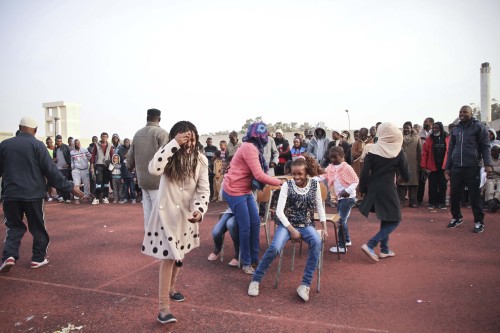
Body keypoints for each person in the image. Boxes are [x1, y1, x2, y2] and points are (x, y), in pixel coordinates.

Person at [141, 121, 209, 324]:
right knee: (169, 257)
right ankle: (163, 309)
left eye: (192, 138)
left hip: (186, 217)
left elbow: (203, 190)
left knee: (179, 256)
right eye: (184, 139)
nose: (189, 143)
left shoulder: (201, 160)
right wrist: (173, 144)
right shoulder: (168, 156)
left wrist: (199, 210)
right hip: (166, 216)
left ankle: (171, 288)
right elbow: (154, 168)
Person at [0, 117, 84, 273]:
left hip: (11, 194)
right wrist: (69, 187)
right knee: (38, 227)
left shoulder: (4, 145)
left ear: (19, 127)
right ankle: (38, 258)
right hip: (33, 194)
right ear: (36, 130)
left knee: (13, 227)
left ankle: (9, 255)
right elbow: (50, 170)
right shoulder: (37, 145)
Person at [248, 155, 327, 302]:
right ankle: (255, 279)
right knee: (275, 247)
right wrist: (292, 230)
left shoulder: (315, 186)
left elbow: (320, 207)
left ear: (306, 172)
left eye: (300, 174)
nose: (296, 177)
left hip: (306, 223)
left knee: (317, 242)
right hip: (287, 223)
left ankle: (305, 285)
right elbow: (279, 212)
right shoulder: (287, 185)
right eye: (294, 173)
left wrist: (324, 226)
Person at [222, 121, 283, 275]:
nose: (265, 137)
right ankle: (246, 262)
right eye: (263, 135)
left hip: (245, 189)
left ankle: (255, 258)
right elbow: (259, 175)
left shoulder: (253, 147)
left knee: (255, 222)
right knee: (245, 226)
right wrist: (279, 183)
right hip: (234, 190)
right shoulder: (249, 147)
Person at [359, 122, 409, 262]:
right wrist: (404, 178)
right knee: (396, 219)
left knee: (387, 217)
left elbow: (364, 174)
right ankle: (371, 244)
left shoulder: (371, 149)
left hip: (374, 187)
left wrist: (363, 189)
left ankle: (384, 250)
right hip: (388, 188)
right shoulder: (398, 151)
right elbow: (405, 174)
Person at [445, 106, 492, 233]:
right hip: (457, 167)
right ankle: (456, 217)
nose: (462, 114)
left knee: (475, 196)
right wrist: (447, 168)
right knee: (454, 195)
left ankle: (479, 222)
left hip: (473, 167)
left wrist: (488, 164)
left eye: (465, 112)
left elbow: (485, 146)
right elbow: (450, 151)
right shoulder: (455, 130)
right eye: (460, 112)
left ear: (471, 113)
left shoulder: (479, 127)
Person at [127, 109, 169, 230]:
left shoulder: (137, 134)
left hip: (142, 178)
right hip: (158, 179)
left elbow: (130, 156)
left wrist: (130, 167)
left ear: (147, 117)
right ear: (159, 119)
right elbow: (167, 156)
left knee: (148, 210)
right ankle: (159, 238)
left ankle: (149, 236)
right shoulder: (162, 133)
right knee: (160, 211)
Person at [320, 146, 358, 253]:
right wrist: (310, 179)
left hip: (348, 198)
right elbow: (323, 175)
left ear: (342, 156)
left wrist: (348, 191)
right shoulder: (330, 167)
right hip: (340, 198)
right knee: (342, 220)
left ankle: (342, 246)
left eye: (335, 157)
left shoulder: (347, 167)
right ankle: (346, 240)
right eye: (331, 158)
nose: (332, 160)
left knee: (340, 221)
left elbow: (355, 181)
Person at [421, 122, 449, 209]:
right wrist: (424, 166)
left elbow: (450, 152)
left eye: (436, 128)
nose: (434, 129)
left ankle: (442, 202)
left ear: (440, 128)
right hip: (432, 165)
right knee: (432, 185)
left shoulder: (447, 137)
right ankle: (432, 202)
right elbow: (424, 153)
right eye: (433, 128)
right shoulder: (429, 139)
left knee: (443, 185)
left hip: (443, 166)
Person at [396, 122, 421, 208]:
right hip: (401, 164)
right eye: (404, 128)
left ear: (411, 128)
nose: (406, 129)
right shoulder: (398, 138)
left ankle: (413, 202)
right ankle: (401, 201)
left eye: (408, 128)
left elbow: (419, 152)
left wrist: (420, 165)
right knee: (401, 184)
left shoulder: (417, 138)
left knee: (413, 184)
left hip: (413, 164)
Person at [90, 132, 114, 204]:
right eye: (103, 136)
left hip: (107, 165)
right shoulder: (96, 145)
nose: (104, 138)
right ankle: (96, 198)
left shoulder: (110, 145)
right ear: (101, 137)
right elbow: (93, 156)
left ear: (107, 138)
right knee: (99, 182)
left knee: (106, 182)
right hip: (99, 165)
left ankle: (105, 197)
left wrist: (112, 165)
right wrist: (92, 166)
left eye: (106, 137)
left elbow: (112, 155)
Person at [418, 117, 435, 205]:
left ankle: (432, 200)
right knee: (421, 181)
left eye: (426, 122)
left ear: (431, 123)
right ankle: (419, 200)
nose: (424, 123)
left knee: (432, 183)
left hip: (432, 161)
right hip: (422, 161)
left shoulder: (435, 134)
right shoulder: (419, 134)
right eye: (424, 122)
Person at [70, 139, 91, 204]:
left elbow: (90, 157)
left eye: (79, 142)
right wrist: (73, 169)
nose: (78, 144)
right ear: (74, 144)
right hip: (76, 170)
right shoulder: (72, 152)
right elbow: (72, 161)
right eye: (76, 143)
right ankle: (76, 198)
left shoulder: (85, 150)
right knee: (76, 184)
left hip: (84, 169)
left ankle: (86, 197)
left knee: (86, 184)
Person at [53, 135, 72, 203]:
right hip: (58, 168)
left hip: (65, 168)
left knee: (66, 182)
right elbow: (54, 158)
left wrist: (69, 164)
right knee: (59, 182)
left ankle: (67, 197)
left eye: (60, 141)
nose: (59, 142)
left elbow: (70, 157)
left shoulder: (66, 147)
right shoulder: (55, 148)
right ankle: (61, 196)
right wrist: (54, 160)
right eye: (58, 141)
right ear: (55, 141)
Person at [484, 145, 500, 211]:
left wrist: (492, 168)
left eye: (495, 151)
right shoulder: (488, 159)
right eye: (492, 151)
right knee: (489, 185)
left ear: (499, 152)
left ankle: (495, 200)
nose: (493, 152)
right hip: (490, 178)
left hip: (499, 178)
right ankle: (490, 201)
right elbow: (485, 169)